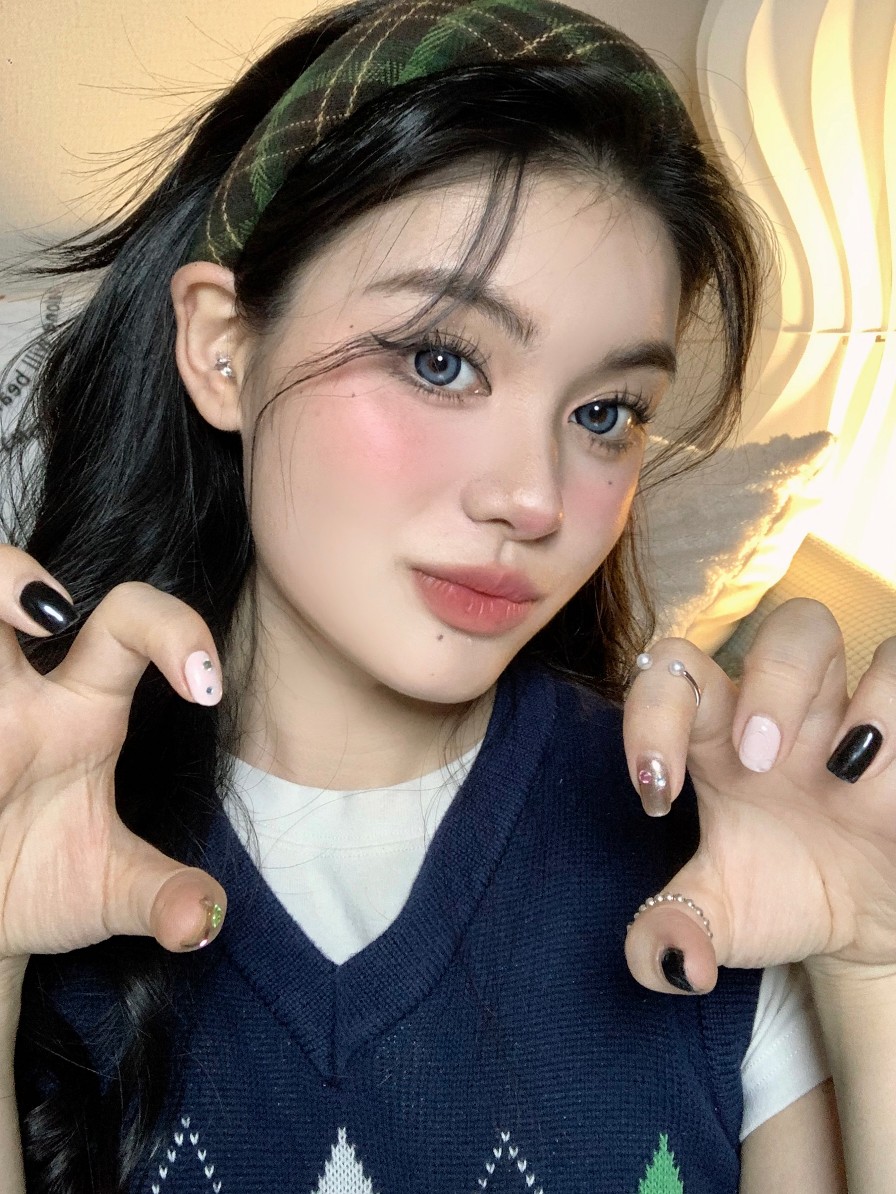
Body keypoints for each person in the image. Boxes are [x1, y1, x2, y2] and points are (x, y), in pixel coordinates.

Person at [0, 0, 893, 1190]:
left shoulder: (723, 876)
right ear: (222, 348)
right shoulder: (37, 832)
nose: (533, 498)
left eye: (603, 413)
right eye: (440, 359)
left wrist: (874, 968)